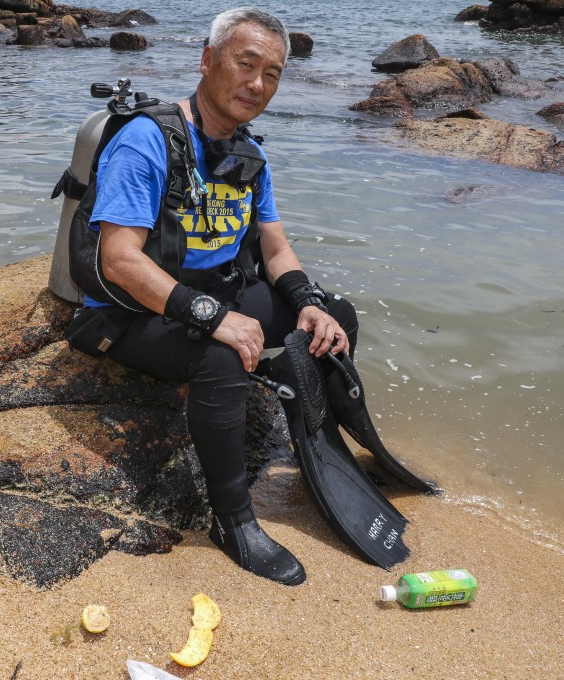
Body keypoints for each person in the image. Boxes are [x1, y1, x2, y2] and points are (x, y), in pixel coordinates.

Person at [73, 7, 359, 586]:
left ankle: (318, 450)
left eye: (273, 74)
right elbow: (119, 261)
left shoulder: (249, 155)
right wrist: (215, 319)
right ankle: (233, 521)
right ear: (207, 62)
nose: (258, 84)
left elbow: (276, 250)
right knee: (222, 354)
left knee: (335, 317)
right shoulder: (147, 141)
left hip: (211, 294)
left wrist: (307, 301)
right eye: (246, 64)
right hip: (129, 312)